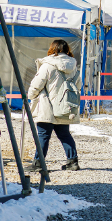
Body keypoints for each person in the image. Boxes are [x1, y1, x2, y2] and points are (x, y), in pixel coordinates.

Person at [25, 40, 81, 172]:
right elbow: (78, 85)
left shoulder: (47, 65)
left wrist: (31, 96)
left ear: (52, 49)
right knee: (65, 134)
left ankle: (38, 164)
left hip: (47, 106)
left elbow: (36, 85)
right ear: (67, 50)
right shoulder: (73, 66)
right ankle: (73, 162)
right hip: (65, 106)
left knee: (43, 135)